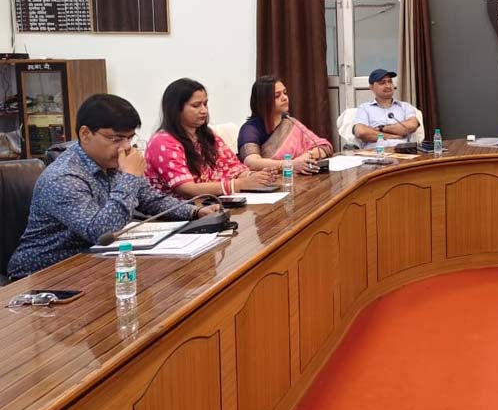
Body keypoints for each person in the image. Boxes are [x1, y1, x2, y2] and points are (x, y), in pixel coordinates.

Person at [7, 94, 219, 279]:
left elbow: (151, 199)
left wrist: (194, 211)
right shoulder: (63, 177)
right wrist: (130, 177)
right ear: (85, 134)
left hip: (92, 265)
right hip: (42, 276)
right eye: (116, 139)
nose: (125, 147)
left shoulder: (112, 163)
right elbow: (101, 232)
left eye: (130, 138)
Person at [146, 79, 276, 199]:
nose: (204, 110)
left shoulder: (207, 135)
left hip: (212, 204)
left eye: (205, 104)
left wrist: (256, 177)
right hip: (180, 210)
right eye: (196, 105)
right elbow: (187, 189)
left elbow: (233, 168)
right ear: (176, 109)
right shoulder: (162, 142)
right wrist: (240, 184)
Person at [237, 76, 332, 174]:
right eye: (277, 96)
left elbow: (325, 147)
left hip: (300, 176)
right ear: (263, 101)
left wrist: (307, 156)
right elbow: (251, 162)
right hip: (271, 180)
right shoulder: (249, 130)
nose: (284, 98)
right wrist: (290, 164)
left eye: (285, 93)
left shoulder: (290, 122)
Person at [353, 69, 421, 149]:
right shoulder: (364, 108)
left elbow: (412, 126)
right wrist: (392, 136)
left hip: (402, 152)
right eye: (382, 83)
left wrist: (381, 128)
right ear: (371, 87)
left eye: (390, 82)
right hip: (375, 153)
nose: (388, 86)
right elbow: (361, 132)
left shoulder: (405, 106)